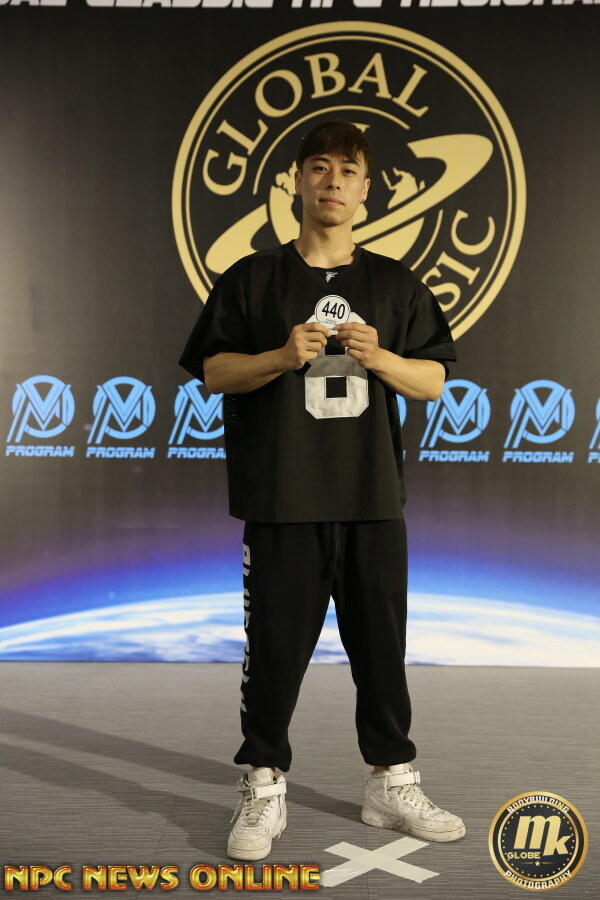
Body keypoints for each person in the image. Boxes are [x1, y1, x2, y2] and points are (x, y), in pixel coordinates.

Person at [179, 120, 465, 862]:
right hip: (283, 498)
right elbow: (213, 371)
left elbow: (434, 380)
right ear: (297, 181)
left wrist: (383, 357)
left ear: (366, 190)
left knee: (383, 652)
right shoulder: (252, 278)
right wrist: (280, 355)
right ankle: (263, 782)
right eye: (319, 167)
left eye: (348, 171)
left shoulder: (396, 284)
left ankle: (391, 780)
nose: (333, 181)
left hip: (372, 498)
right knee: (274, 653)